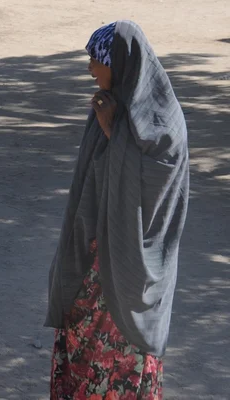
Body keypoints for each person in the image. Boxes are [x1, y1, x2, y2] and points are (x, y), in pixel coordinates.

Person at [45, 21, 189, 399]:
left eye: (96, 60)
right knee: (81, 337)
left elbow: (158, 183)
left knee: (122, 344)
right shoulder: (106, 106)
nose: (91, 69)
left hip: (129, 264)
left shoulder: (163, 125)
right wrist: (110, 128)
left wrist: (115, 133)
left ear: (121, 63)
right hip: (93, 251)